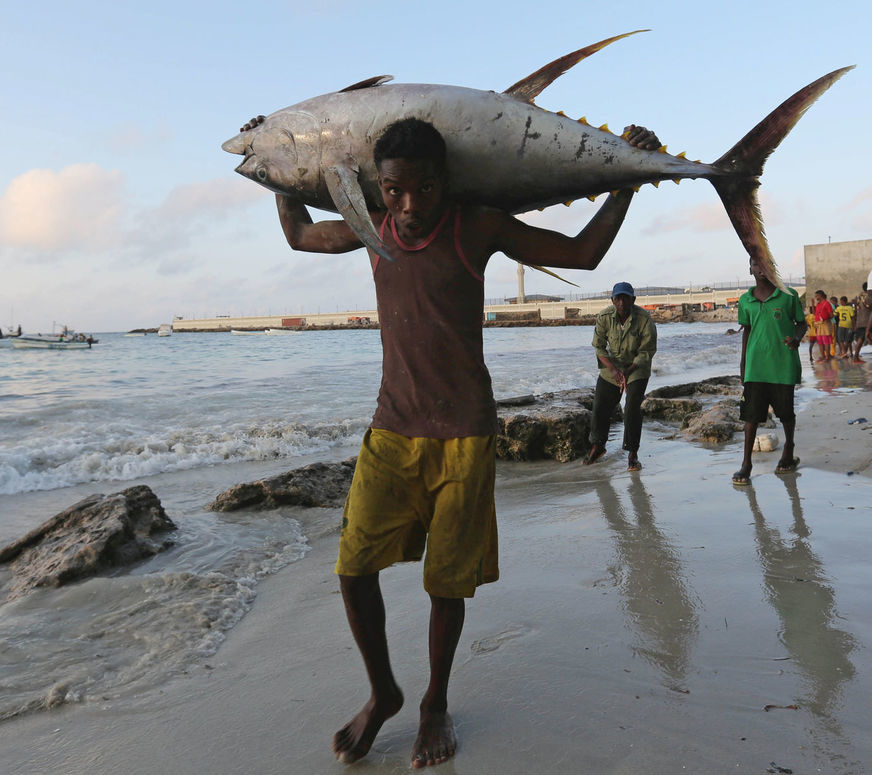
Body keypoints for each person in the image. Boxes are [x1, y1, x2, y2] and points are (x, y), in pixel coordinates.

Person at [258, 114, 661, 768]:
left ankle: (434, 701)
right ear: (379, 188)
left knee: (447, 583)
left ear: (446, 182)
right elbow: (301, 233)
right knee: (352, 568)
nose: (409, 205)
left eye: (424, 188)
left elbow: (583, 254)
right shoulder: (371, 229)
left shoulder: (475, 226)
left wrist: (627, 184)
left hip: (465, 437)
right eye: (394, 190)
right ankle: (383, 689)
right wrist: (274, 160)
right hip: (391, 431)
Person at [732, 255, 808, 485]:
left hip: (782, 364)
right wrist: (743, 365)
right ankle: (746, 464)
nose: (760, 268)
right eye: (756, 264)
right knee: (751, 418)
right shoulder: (745, 300)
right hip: (756, 367)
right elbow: (747, 331)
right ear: (751, 270)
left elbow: (802, 323)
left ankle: (789, 450)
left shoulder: (788, 295)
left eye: (765, 264)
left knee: (786, 413)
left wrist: (796, 338)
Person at [583, 282, 657, 470]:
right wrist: (615, 372)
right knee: (600, 404)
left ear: (633, 299)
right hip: (612, 367)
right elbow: (599, 347)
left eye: (625, 298)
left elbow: (647, 351)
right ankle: (597, 446)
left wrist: (627, 373)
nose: (622, 302)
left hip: (636, 367)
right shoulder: (604, 317)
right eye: (618, 298)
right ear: (613, 300)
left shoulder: (644, 318)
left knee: (632, 407)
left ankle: (632, 453)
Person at [813, 290, 834, 361]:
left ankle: (827, 356)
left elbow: (831, 315)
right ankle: (823, 356)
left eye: (817, 296)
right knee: (820, 342)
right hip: (818, 325)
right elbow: (815, 314)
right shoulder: (818, 304)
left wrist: (825, 318)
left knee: (826, 341)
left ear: (820, 295)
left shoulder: (827, 303)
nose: (816, 297)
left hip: (825, 324)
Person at [853, 282, 871, 363]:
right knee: (863, 338)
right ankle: (856, 357)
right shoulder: (869, 297)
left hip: (860, 321)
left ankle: (856, 357)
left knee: (861, 339)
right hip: (868, 321)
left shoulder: (859, 297)